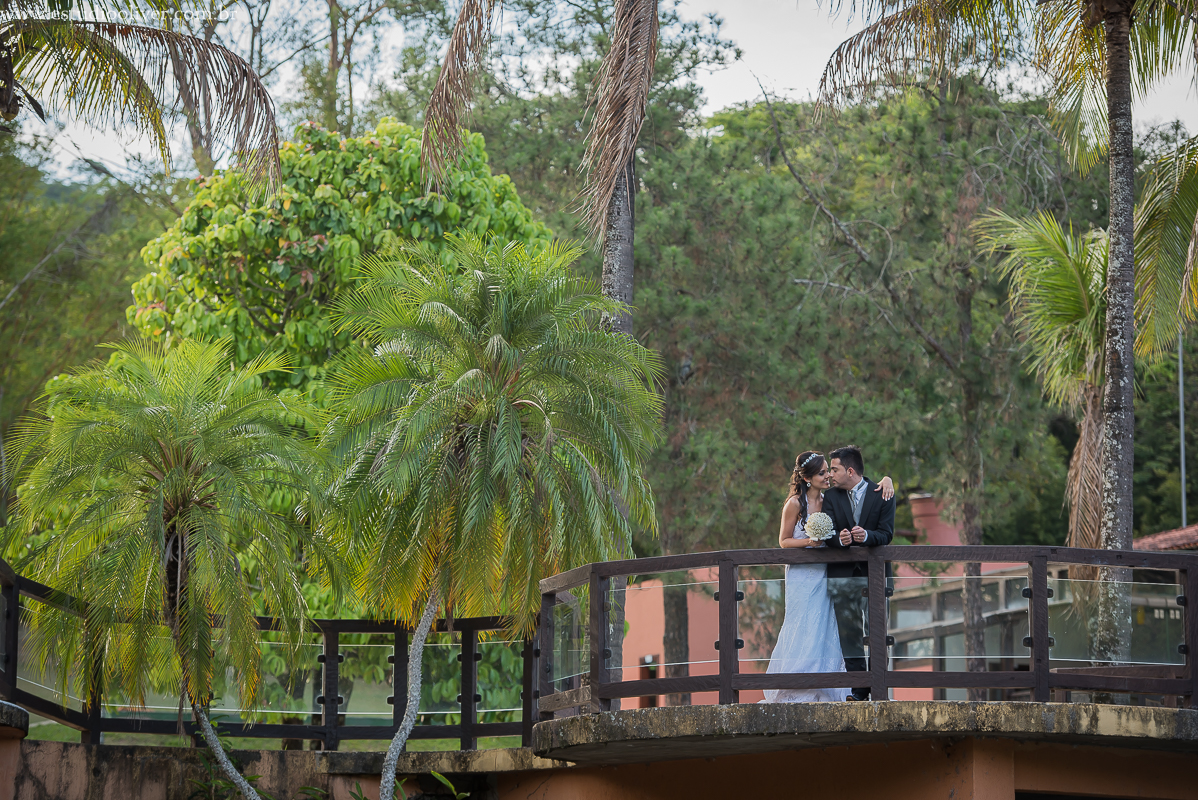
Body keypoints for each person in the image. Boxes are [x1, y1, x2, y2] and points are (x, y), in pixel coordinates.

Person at [761, 451, 893, 703]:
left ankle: (837, 685)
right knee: (803, 622)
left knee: (827, 626)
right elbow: (783, 541)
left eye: (830, 471)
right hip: (803, 573)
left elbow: (864, 496)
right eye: (823, 472)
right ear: (808, 478)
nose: (829, 476)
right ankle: (796, 683)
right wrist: (810, 542)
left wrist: (887, 479)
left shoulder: (829, 498)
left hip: (828, 572)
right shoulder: (796, 504)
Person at [824, 445, 896, 701]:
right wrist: (839, 539)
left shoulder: (883, 493)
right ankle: (858, 690)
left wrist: (867, 536)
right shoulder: (831, 497)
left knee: (877, 631)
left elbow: (886, 534)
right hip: (842, 575)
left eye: (834, 469)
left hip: (876, 575)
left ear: (850, 470)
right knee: (849, 634)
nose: (831, 474)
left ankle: (879, 689)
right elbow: (827, 534)